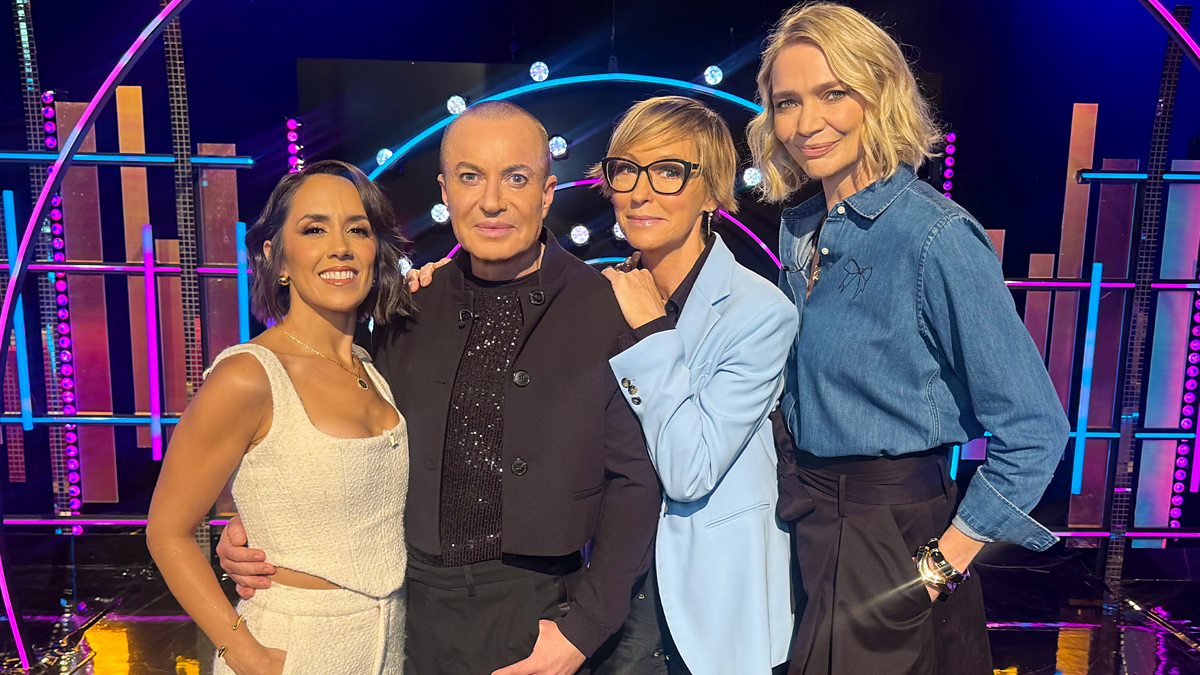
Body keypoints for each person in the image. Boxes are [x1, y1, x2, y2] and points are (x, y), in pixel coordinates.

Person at [217, 101, 662, 675]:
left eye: (516, 178)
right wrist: (262, 525)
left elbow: (636, 481)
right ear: (445, 191)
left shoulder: (605, 306)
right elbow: (346, 452)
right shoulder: (406, 309)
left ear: (547, 193)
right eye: (471, 177)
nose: (492, 201)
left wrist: (583, 629)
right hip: (404, 613)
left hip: (542, 616)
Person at [746, 3, 1070, 674]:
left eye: (833, 93)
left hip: (891, 537)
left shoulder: (934, 236)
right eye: (787, 102)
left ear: (880, 93)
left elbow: (1035, 428)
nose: (806, 123)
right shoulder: (800, 228)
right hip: (807, 523)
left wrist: (939, 565)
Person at [147, 160, 414, 674]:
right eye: (314, 229)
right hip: (293, 647)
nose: (340, 247)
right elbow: (166, 531)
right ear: (277, 257)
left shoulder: (372, 368)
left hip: (388, 646)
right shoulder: (248, 375)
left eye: (357, 230)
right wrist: (247, 656)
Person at [590, 95, 795, 674]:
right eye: (626, 170)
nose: (640, 192)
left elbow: (690, 471)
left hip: (710, 605)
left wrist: (653, 333)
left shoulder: (759, 313)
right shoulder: (600, 296)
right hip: (609, 591)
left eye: (668, 171)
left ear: (711, 193)